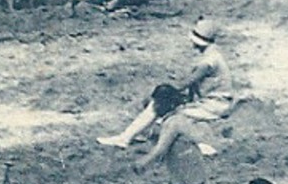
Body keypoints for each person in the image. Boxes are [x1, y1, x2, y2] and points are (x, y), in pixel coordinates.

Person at [100, 18, 236, 148]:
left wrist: (161, 92)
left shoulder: (207, 62)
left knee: (161, 98)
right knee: (161, 99)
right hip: (213, 101)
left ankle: (126, 137)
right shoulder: (212, 55)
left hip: (213, 105)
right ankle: (135, 134)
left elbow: (183, 85)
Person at [130, 84, 233, 184]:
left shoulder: (174, 122)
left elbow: (161, 148)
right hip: (184, 166)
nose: (155, 107)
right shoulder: (174, 119)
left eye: (158, 103)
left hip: (187, 168)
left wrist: (143, 162)